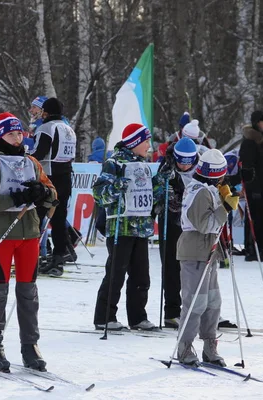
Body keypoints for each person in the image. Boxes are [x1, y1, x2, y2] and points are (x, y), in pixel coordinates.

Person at [0, 112, 57, 372]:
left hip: (29, 234)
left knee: (28, 291)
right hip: (3, 234)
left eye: (20, 132)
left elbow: (51, 193)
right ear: (0, 136)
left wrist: (42, 192)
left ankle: (29, 346)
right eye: (11, 133)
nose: (17, 137)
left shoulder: (31, 162)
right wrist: (16, 198)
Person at [92, 123, 164, 331]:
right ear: (134, 142)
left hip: (141, 227)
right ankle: (104, 316)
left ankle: (138, 317)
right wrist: (116, 186)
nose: (149, 146)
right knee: (116, 273)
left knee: (142, 275)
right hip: (120, 227)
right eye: (146, 141)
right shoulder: (114, 163)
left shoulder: (142, 165)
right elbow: (99, 194)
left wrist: (161, 181)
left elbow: (150, 194)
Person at [176, 149, 239, 366]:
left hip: (208, 251)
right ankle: (184, 348)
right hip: (195, 250)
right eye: (222, 174)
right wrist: (225, 209)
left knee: (213, 302)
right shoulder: (199, 191)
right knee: (195, 302)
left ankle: (210, 345)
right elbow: (204, 224)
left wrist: (224, 199)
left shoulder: (207, 189)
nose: (224, 178)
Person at [31, 98, 77, 276]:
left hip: (49, 178)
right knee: (59, 220)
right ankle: (58, 259)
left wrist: (23, 156)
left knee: (36, 218)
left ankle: (31, 258)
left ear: (46, 112)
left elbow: (39, 153)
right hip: (66, 177)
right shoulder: (69, 128)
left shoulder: (46, 127)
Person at [156, 137, 199, 329]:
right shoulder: (167, 168)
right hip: (172, 223)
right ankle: (172, 311)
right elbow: (156, 190)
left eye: (188, 161)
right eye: (181, 160)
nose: (184, 165)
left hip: (193, 224)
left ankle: (199, 308)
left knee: (194, 268)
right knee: (172, 267)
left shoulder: (200, 169)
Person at [239, 110, 263, 261]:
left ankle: (261, 246)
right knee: (254, 218)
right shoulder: (250, 141)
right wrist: (252, 186)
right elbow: (247, 166)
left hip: (262, 186)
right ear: (256, 123)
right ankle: (251, 247)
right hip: (254, 186)